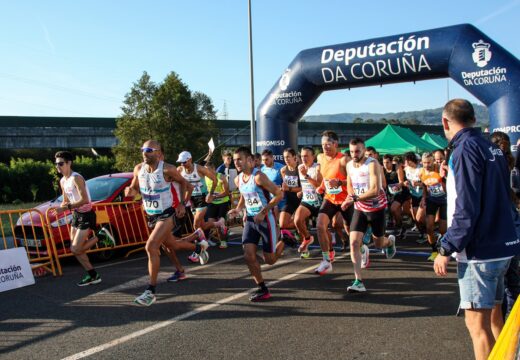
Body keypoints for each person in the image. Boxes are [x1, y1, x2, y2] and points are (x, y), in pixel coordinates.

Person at [433, 99, 520, 360]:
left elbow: (466, 208)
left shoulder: (463, 149)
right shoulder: (491, 147)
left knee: (476, 326)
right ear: (472, 118)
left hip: (479, 254)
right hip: (502, 247)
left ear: (445, 122)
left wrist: (446, 247)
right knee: (494, 320)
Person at [125, 140, 209, 306]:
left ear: (158, 153)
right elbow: (134, 188)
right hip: (152, 216)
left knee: (151, 247)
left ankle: (151, 291)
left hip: (167, 214)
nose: (144, 152)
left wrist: (181, 204)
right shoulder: (138, 169)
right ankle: (199, 247)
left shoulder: (167, 169)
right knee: (172, 245)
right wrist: (131, 191)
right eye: (143, 149)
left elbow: (186, 184)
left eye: (149, 150)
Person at [227, 146, 285, 302]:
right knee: (248, 255)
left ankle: (285, 240)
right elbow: (244, 196)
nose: (237, 162)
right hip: (251, 221)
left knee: (270, 260)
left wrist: (263, 212)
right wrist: (238, 209)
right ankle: (262, 288)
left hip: (266, 220)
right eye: (234, 160)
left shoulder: (259, 177)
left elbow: (279, 194)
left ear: (250, 160)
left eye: (240, 159)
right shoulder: (238, 179)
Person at [342, 138, 396, 293]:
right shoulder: (349, 165)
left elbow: (376, 190)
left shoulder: (372, 164)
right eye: (351, 151)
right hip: (360, 209)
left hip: (377, 208)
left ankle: (389, 243)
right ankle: (358, 280)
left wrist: (355, 199)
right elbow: (349, 185)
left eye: (357, 151)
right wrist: (350, 198)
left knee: (378, 244)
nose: (354, 154)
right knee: (354, 243)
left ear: (364, 150)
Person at [53, 151, 113, 286]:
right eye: (56, 164)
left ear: (69, 163)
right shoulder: (63, 180)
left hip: (86, 214)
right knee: (76, 249)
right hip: (76, 215)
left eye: (61, 163)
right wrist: (61, 206)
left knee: (75, 249)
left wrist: (65, 208)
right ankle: (93, 275)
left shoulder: (76, 178)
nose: (58, 166)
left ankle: (101, 235)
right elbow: (66, 200)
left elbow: (85, 200)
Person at [490, 131, 520, 320]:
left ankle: (507, 327)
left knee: (503, 283)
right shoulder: (508, 168)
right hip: (510, 228)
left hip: (504, 229)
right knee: (510, 281)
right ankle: (510, 324)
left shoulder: (502, 169)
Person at [315, 130, 352, 275]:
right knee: (320, 225)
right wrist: (321, 187)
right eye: (323, 145)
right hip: (330, 198)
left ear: (335, 144)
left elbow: (353, 180)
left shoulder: (344, 160)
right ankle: (326, 261)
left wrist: (340, 182)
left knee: (352, 231)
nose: (325, 147)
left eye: (328, 144)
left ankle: (363, 250)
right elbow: (325, 178)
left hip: (346, 199)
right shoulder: (320, 157)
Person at [177, 151, 226, 262]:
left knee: (196, 225)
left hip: (202, 198)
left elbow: (214, 179)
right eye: (180, 162)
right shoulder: (180, 170)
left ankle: (199, 250)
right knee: (202, 225)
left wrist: (210, 193)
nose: (182, 165)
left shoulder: (200, 169)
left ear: (189, 160)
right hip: (191, 199)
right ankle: (218, 223)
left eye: (184, 162)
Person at [294, 146, 323, 258]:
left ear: (313, 157)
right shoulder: (300, 167)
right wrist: (302, 191)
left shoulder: (318, 168)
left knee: (323, 229)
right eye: (302, 156)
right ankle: (307, 239)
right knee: (297, 221)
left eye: (306, 156)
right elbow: (305, 184)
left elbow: (319, 186)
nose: (304, 159)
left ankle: (329, 251)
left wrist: (306, 175)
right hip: (307, 200)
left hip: (319, 201)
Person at [419, 152, 447, 261]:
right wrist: (424, 198)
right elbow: (425, 187)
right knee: (429, 227)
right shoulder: (421, 173)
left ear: (433, 161)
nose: (427, 165)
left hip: (444, 200)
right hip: (432, 200)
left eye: (429, 162)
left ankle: (445, 249)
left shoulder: (440, 170)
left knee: (443, 229)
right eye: (425, 163)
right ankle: (434, 251)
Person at [204, 162, 231, 248]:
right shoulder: (206, 177)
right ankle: (212, 237)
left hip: (223, 202)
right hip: (213, 203)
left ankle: (223, 241)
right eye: (205, 170)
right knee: (211, 223)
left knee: (220, 222)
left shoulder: (221, 177)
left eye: (209, 170)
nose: (207, 172)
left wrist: (214, 196)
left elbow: (227, 193)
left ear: (213, 168)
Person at [382, 154, 409, 238]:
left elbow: (401, 181)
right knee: (395, 212)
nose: (386, 165)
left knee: (394, 208)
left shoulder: (397, 167)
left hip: (400, 192)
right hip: (389, 193)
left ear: (391, 162)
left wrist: (397, 185)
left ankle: (403, 223)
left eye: (387, 162)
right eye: (384, 163)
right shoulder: (382, 170)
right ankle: (401, 226)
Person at [279, 148, 301, 243]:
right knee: (282, 224)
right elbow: (285, 186)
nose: (286, 159)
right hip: (289, 200)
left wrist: (290, 189)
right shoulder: (283, 170)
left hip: (302, 201)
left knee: (299, 223)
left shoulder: (300, 169)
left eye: (288, 157)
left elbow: (305, 188)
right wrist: (282, 190)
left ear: (294, 157)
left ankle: (304, 249)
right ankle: (301, 225)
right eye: (284, 157)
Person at [404, 152, 426, 243]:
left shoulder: (420, 169)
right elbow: (407, 180)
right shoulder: (406, 169)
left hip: (422, 195)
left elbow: (426, 184)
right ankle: (422, 233)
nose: (406, 162)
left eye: (407, 160)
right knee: (415, 218)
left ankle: (427, 233)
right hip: (413, 195)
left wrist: (418, 184)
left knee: (419, 217)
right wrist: (406, 183)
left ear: (411, 160)